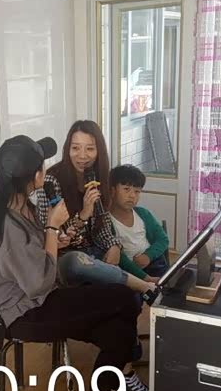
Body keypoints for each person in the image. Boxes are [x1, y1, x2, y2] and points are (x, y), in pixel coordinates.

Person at [0, 134, 151, 391]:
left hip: (42, 297)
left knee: (117, 327)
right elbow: (38, 284)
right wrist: (52, 227)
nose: (46, 172)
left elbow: (37, 258)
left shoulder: (20, 206)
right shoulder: (7, 225)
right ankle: (118, 379)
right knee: (124, 299)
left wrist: (55, 239)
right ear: (34, 175)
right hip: (24, 313)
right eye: (42, 167)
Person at [35, 120, 155, 299]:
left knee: (127, 298)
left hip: (93, 251)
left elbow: (103, 222)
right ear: (68, 149)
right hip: (65, 257)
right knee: (78, 261)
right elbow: (55, 236)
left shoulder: (97, 177)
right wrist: (84, 215)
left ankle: (140, 285)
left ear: (99, 151)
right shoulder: (51, 181)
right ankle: (144, 286)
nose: (82, 156)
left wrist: (113, 246)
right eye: (75, 148)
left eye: (90, 149)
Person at [109, 165, 170, 282]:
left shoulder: (143, 214)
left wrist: (148, 256)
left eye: (137, 191)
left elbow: (163, 239)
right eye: (126, 189)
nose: (132, 196)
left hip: (154, 263)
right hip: (129, 271)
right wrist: (145, 278)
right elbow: (120, 259)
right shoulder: (107, 221)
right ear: (112, 191)